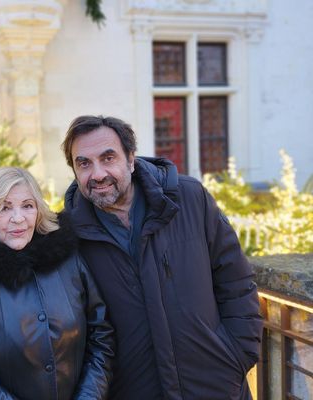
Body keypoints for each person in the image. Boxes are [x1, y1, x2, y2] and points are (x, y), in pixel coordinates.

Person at [61, 115, 263, 400]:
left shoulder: (189, 198)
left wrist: (237, 356)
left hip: (216, 387)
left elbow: (236, 281)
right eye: (84, 163)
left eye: (108, 158)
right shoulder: (68, 236)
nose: (97, 174)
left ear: (131, 159)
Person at [0, 167, 115, 400]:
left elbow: (101, 336)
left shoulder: (67, 258)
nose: (18, 218)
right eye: (4, 208)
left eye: (27, 205)